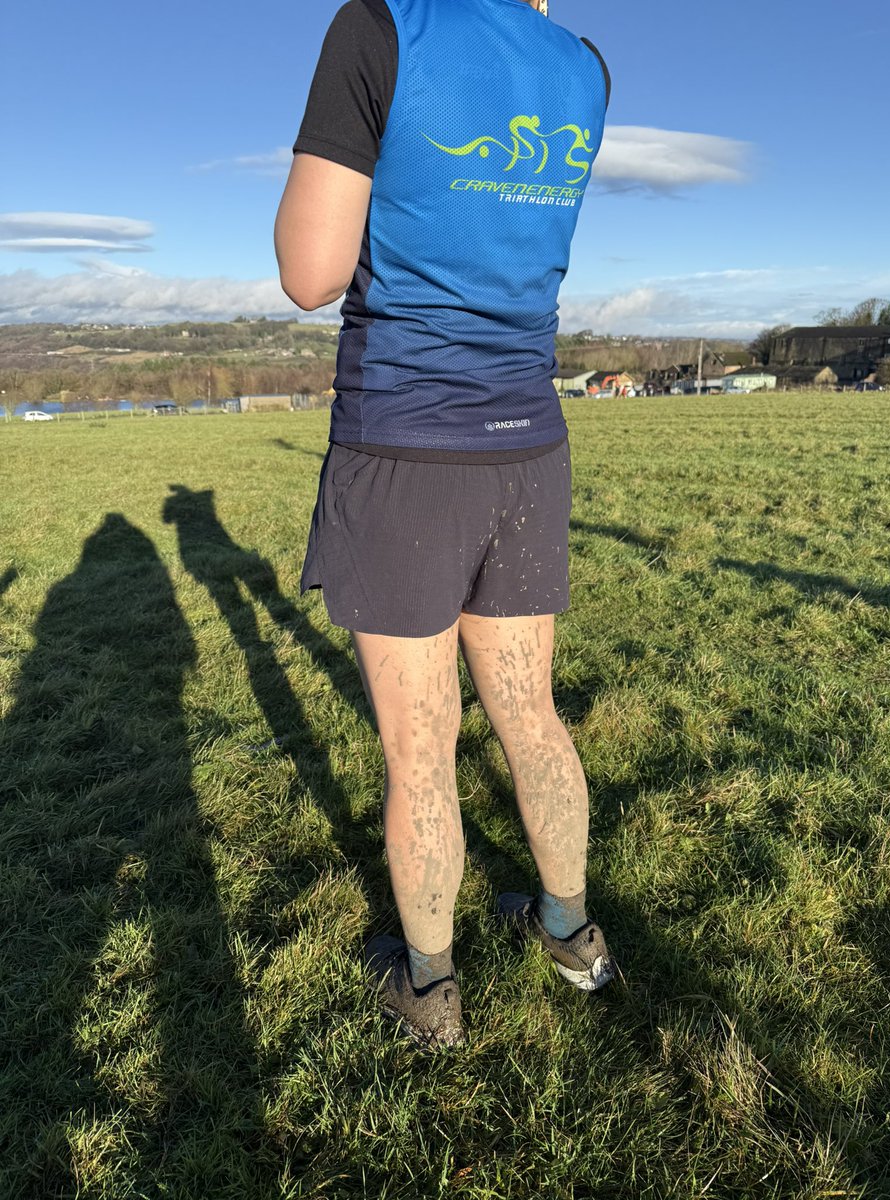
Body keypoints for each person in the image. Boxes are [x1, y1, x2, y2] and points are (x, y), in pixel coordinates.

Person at [274, 0, 615, 1052]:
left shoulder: (382, 27)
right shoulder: (584, 67)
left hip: (406, 452)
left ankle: (429, 991)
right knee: (531, 711)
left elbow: (309, 273)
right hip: (529, 445)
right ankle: (573, 936)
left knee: (421, 746)